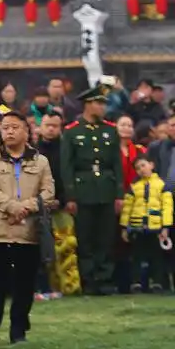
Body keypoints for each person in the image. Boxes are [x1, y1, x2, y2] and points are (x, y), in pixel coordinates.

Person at [0, 110, 55, 347]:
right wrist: (12, 207)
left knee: (24, 285)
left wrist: (25, 208)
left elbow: (48, 193)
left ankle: (18, 332)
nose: (9, 131)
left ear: (26, 131)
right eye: (5, 127)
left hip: (28, 232)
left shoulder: (40, 161)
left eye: (14, 127)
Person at [60, 78, 122, 296]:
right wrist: (71, 196)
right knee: (85, 238)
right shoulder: (72, 131)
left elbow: (116, 164)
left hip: (106, 188)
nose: (103, 108)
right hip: (83, 189)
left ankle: (105, 278)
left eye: (104, 103)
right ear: (88, 104)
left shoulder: (111, 130)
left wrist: (119, 194)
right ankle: (88, 279)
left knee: (105, 237)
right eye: (99, 103)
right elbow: (66, 166)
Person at [120, 154, 173, 292]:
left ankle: (157, 282)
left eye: (143, 165)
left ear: (151, 165)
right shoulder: (134, 187)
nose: (141, 170)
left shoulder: (162, 185)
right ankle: (136, 282)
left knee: (156, 256)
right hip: (137, 227)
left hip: (156, 227)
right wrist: (125, 227)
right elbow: (127, 208)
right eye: (138, 168)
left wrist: (166, 227)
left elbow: (167, 207)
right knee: (137, 255)